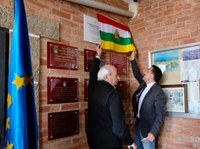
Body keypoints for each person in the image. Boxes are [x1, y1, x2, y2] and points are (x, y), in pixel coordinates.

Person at [86, 45, 137, 149]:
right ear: (106, 77)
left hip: (93, 139)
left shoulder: (92, 86)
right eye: (115, 75)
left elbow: (93, 72)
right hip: (109, 142)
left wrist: (98, 56)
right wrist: (130, 142)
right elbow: (118, 127)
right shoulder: (113, 93)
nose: (118, 78)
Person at [129, 50, 166, 149]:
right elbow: (137, 74)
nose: (145, 71)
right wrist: (132, 59)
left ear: (152, 76)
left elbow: (160, 115)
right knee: (138, 147)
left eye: (148, 70)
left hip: (148, 129)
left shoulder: (158, 92)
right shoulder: (144, 84)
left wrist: (153, 133)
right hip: (138, 123)